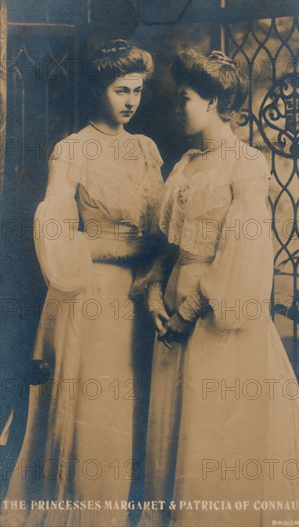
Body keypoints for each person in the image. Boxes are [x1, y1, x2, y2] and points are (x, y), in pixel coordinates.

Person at [139, 50, 299, 527]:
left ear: (212, 101)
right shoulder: (185, 163)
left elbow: (243, 252)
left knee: (216, 431)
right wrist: (152, 294)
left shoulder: (246, 163)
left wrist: (189, 311)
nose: (176, 107)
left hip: (217, 314)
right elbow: (170, 245)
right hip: (172, 305)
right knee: (176, 427)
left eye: (184, 98)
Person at [2, 39, 164, 527]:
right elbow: (55, 231)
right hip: (89, 296)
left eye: (137, 90)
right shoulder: (70, 150)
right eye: (120, 90)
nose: (130, 101)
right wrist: (123, 249)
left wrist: (154, 261)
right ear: (98, 88)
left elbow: (160, 225)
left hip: (140, 295)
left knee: (137, 399)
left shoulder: (147, 148)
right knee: (96, 406)